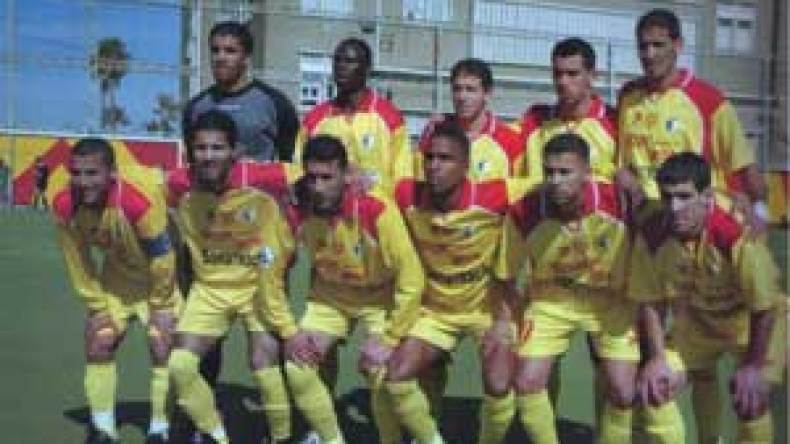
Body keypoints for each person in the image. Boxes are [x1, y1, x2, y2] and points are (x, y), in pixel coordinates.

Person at [384, 121, 529, 444]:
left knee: (499, 384)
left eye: (445, 159)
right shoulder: (407, 193)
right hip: (436, 311)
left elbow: (547, 185)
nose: (434, 166)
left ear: (465, 166)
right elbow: (367, 186)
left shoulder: (492, 195)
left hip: (486, 310)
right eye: (429, 157)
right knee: (396, 375)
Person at [630, 152, 785, 444]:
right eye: (667, 197)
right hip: (699, 319)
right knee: (655, 387)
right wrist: (657, 358)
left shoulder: (737, 232)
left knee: (750, 399)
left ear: (706, 196)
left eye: (684, 197)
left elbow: (764, 306)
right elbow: (650, 302)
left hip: (753, 323)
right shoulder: (652, 232)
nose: (674, 208)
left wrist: (753, 367)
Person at [280, 135, 424, 444]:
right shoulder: (297, 204)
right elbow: (271, 272)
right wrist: (289, 331)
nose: (318, 187)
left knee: (379, 368)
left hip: (379, 297)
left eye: (327, 177)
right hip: (330, 297)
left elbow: (411, 276)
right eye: (312, 177)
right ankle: (331, 439)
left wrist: (390, 338)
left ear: (347, 175)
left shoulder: (375, 207)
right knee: (297, 366)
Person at [497, 133, 640, 444]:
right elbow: (506, 275)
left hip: (610, 302)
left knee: (623, 390)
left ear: (587, 171)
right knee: (527, 382)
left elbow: (665, 210)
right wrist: (503, 323)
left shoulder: (619, 201)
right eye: (549, 172)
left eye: (565, 172)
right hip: (552, 300)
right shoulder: (524, 211)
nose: (555, 181)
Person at [166, 110, 296, 444]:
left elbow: (311, 173)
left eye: (217, 148)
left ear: (235, 151)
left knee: (264, 364)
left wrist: (356, 176)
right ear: (190, 152)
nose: (208, 156)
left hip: (257, 286)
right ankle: (216, 435)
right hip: (210, 288)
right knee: (180, 365)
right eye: (201, 148)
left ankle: (281, 437)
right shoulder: (178, 184)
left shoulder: (262, 176)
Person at [51, 138, 180, 444]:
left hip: (160, 280)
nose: (83, 182)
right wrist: (97, 307)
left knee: (162, 343)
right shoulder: (64, 205)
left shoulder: (137, 201)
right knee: (99, 340)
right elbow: (78, 261)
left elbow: (162, 258)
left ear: (111, 173)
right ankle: (102, 428)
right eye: (76, 173)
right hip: (118, 279)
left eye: (92, 173)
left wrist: (161, 305)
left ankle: (160, 427)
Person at [616, 9, 767, 224]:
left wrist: (760, 210)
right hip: (644, 220)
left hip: (692, 220)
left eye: (658, 45)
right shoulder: (628, 96)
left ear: (678, 45)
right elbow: (621, 157)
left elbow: (742, 166)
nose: (649, 54)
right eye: (643, 46)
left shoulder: (709, 100)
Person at [294, 38, 412, 195]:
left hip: (377, 208)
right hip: (326, 209)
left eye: (350, 61)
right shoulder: (314, 119)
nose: (341, 66)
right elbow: (298, 170)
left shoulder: (390, 117)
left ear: (367, 68)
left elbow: (403, 175)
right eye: (337, 60)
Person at [183, 20, 299, 162]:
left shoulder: (276, 103)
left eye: (230, 51)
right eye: (215, 50)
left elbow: (290, 165)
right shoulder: (196, 107)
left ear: (246, 58)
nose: (220, 58)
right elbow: (192, 163)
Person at [516, 37, 617, 187]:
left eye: (572, 74)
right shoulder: (534, 120)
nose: (563, 82)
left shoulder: (614, 122)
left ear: (592, 76)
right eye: (558, 74)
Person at [417, 58, 524, 182]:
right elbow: (419, 181)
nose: (462, 97)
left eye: (470, 89)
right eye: (457, 89)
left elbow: (520, 189)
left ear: (487, 94)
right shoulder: (434, 130)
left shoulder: (509, 140)